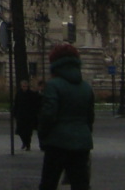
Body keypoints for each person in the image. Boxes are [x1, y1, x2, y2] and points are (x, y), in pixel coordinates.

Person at [36, 42, 94, 190]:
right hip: (81, 142)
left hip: (57, 142)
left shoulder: (53, 85)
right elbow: (90, 118)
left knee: (48, 183)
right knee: (81, 184)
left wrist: (43, 135)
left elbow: (48, 114)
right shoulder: (86, 87)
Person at [15, 76, 43, 150]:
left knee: (28, 132)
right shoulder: (19, 93)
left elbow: (37, 100)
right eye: (23, 86)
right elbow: (16, 103)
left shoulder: (31, 93)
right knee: (20, 131)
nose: (25, 88)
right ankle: (25, 142)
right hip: (21, 115)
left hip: (29, 116)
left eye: (26, 86)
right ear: (21, 86)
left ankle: (28, 144)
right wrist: (14, 113)